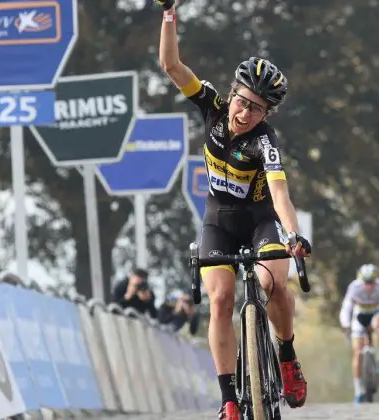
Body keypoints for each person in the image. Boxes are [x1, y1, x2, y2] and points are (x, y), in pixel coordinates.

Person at [154, 1, 313, 418]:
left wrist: (293, 234)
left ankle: (286, 353)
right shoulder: (211, 106)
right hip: (218, 221)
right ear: (232, 94)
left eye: (256, 109)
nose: (245, 113)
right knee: (221, 300)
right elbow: (172, 65)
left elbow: (280, 195)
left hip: (260, 222)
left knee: (275, 283)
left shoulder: (265, 141)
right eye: (243, 102)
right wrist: (169, 13)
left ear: (267, 113)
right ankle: (229, 398)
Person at [338, 263, 379, 404]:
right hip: (360, 316)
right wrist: (346, 324)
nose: (369, 286)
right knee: (357, 353)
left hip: (376, 314)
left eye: (372, 282)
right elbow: (346, 307)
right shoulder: (354, 287)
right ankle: (359, 391)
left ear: (376, 280)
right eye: (366, 282)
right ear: (361, 281)